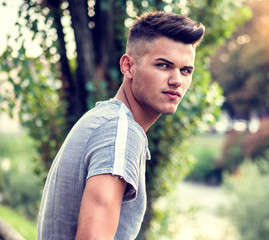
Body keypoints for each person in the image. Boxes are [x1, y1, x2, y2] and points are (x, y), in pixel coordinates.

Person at [37, 11, 205, 240]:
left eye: (186, 70)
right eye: (164, 65)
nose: (177, 80)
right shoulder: (119, 132)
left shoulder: (106, 119)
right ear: (128, 67)